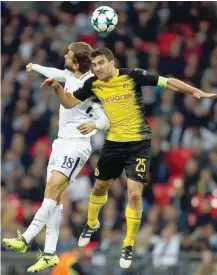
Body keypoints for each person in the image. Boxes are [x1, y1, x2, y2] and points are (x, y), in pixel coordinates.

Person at [41, 47, 215, 269]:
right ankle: (92, 223)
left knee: (134, 194)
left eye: (101, 63)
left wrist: (194, 91)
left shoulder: (132, 76)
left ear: (112, 62)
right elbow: (69, 102)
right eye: (94, 65)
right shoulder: (93, 84)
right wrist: (57, 87)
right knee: (99, 188)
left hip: (139, 145)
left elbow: (167, 82)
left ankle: (129, 243)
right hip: (113, 143)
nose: (97, 68)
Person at [2, 42, 110, 273]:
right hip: (60, 143)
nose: (64, 55)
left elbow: (106, 120)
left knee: (52, 189)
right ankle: (50, 254)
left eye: (68, 54)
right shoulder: (70, 75)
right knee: (56, 198)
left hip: (76, 146)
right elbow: (56, 73)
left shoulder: (94, 85)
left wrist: (94, 123)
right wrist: (35, 66)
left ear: (77, 61)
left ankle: (26, 238)